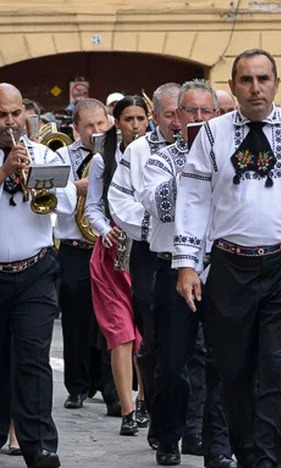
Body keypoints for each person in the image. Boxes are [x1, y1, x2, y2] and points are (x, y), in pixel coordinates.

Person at [174, 49, 281, 467]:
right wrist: (188, 263)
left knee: (278, 371)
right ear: (233, 87)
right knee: (234, 371)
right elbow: (193, 200)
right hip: (231, 267)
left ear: (276, 83)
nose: (255, 88)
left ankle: (272, 461)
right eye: (246, 80)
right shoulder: (210, 135)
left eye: (263, 79)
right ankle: (248, 456)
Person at [0, 83, 75, 468]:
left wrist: (38, 178)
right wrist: (3, 173)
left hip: (35, 270)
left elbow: (69, 201)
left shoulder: (42, 152)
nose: (10, 123)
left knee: (33, 358)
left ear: (26, 114)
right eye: (2, 115)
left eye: (16, 114)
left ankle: (39, 444)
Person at [138, 79, 234, 467]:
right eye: (190, 112)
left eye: (205, 112)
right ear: (176, 116)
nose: (197, 118)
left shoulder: (229, 155)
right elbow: (159, 205)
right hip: (172, 268)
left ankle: (217, 444)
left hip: (223, 268)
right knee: (173, 364)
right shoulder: (159, 158)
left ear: (217, 115)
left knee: (221, 361)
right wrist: (192, 166)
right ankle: (167, 436)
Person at [108, 83, 181, 445]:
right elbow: (118, 198)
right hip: (151, 252)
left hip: (198, 252)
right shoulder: (137, 151)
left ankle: (196, 422)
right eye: (169, 115)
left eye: (180, 113)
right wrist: (154, 225)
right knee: (154, 339)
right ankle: (157, 412)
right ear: (156, 117)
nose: (178, 122)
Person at [86, 95, 149, 437]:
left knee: (146, 334)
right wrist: (104, 230)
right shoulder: (102, 161)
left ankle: (148, 402)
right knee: (120, 334)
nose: (136, 125)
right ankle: (127, 409)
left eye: (141, 118)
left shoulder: (156, 155)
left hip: (146, 251)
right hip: (111, 257)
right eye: (129, 119)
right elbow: (92, 208)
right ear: (117, 122)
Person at [54, 98, 110, 410]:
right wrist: (79, 186)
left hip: (106, 244)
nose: (95, 131)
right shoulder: (62, 154)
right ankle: (76, 386)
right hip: (75, 248)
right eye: (88, 126)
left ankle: (108, 383)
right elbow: (55, 193)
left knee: (109, 320)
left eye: (100, 124)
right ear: (75, 129)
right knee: (75, 321)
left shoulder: (117, 152)